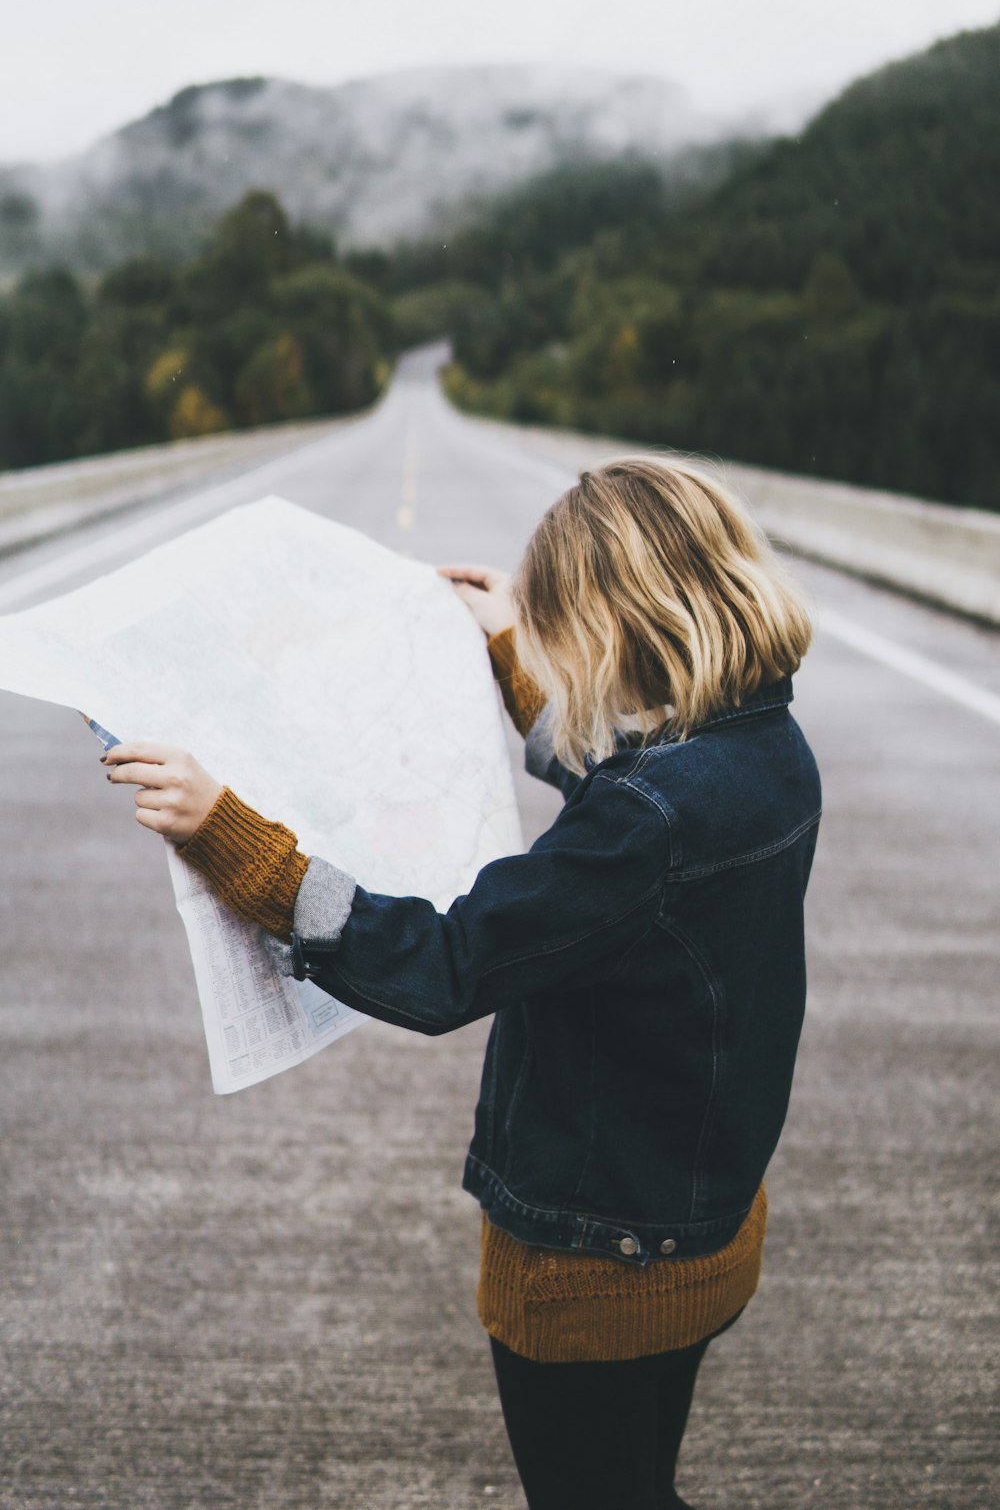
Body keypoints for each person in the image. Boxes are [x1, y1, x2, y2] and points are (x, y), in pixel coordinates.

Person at [103, 456, 821, 1510]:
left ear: (619, 625)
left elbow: (445, 965)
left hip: (594, 1267)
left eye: (560, 633)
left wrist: (237, 839)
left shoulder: (646, 825)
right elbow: (635, 829)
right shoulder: (769, 748)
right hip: (702, 1233)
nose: (556, 656)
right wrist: (504, 651)